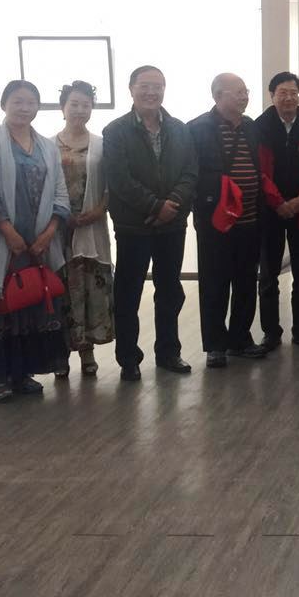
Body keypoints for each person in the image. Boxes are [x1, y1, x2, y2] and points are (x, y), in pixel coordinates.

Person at [0, 80, 71, 402]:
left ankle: (22, 374)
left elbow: (60, 192)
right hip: (0, 244)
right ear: (4, 104)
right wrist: (9, 232)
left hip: (39, 245)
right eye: (18, 101)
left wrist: (48, 233)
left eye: (31, 102)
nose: (24, 108)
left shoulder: (47, 146)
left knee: (31, 302)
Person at [103, 65, 197, 381]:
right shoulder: (115, 131)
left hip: (173, 225)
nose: (151, 92)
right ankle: (129, 358)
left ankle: (169, 352)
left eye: (157, 86)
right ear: (131, 89)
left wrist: (172, 205)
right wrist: (157, 206)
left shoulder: (180, 129)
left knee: (169, 290)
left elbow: (190, 172)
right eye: (144, 85)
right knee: (128, 292)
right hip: (134, 226)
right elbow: (119, 179)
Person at [188, 73, 266, 369]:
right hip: (216, 220)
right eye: (238, 92)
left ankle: (240, 339)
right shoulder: (197, 128)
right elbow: (190, 172)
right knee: (214, 283)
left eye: (246, 91)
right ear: (218, 95)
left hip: (250, 218)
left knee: (246, 281)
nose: (245, 97)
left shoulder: (250, 126)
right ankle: (215, 345)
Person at [255, 72, 299, 351]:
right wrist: (278, 202)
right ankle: (271, 333)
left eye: (293, 93)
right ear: (272, 96)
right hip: (269, 211)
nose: (289, 98)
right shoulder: (259, 130)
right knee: (268, 274)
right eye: (282, 93)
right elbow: (259, 171)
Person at [53, 80, 113, 378]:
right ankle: (60, 355)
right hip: (58, 229)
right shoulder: (47, 145)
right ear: (63, 107)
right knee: (61, 291)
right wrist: (61, 216)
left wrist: (99, 210)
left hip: (92, 226)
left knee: (90, 289)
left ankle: (87, 352)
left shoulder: (102, 144)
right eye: (74, 104)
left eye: (85, 105)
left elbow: (111, 185)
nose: (79, 110)